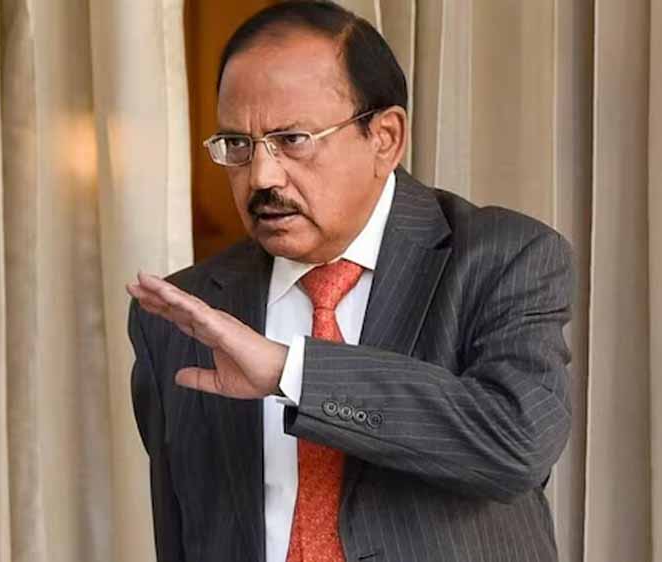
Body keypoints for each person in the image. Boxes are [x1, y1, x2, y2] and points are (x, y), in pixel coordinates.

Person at [126, 2, 573, 561]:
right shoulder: (184, 314)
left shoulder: (502, 257)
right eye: (238, 145)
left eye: (292, 139)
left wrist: (293, 373)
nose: (261, 176)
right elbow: (180, 532)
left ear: (385, 137)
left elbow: (517, 441)